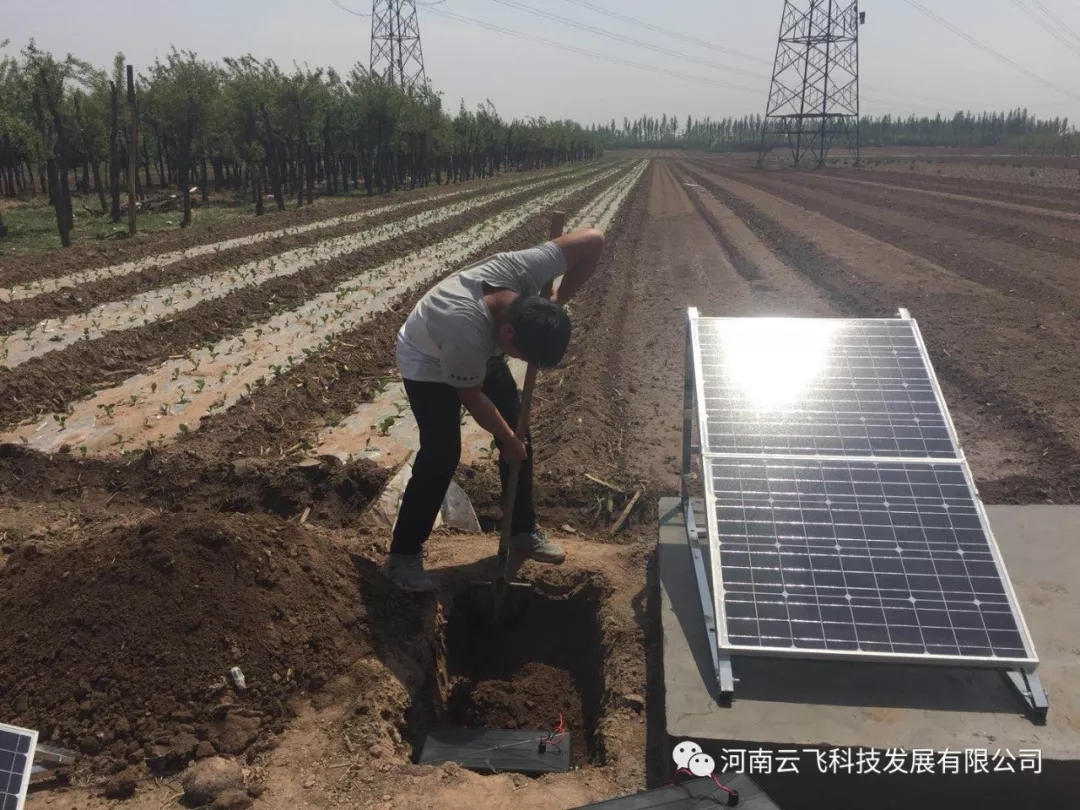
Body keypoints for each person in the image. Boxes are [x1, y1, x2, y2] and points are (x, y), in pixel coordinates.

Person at [385, 227, 606, 592]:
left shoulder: (523, 268)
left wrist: (557, 301)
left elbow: (594, 240)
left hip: (478, 347)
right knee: (442, 452)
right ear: (507, 337)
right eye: (521, 357)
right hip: (426, 354)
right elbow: (471, 397)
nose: (519, 361)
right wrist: (505, 440)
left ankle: (521, 531)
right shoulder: (465, 332)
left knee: (519, 432)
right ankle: (403, 555)